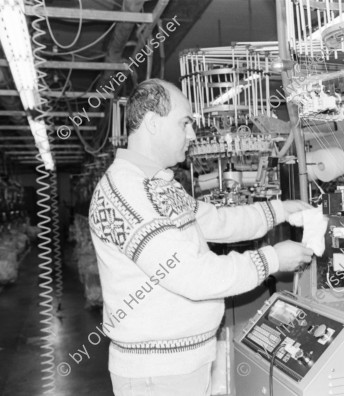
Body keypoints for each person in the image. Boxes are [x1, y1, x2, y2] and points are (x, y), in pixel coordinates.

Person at [88, 78, 314, 396]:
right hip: (159, 375)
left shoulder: (159, 184)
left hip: (183, 365)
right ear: (152, 123)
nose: (192, 135)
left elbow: (217, 221)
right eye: (185, 124)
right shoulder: (128, 194)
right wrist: (273, 258)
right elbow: (193, 276)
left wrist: (280, 210)